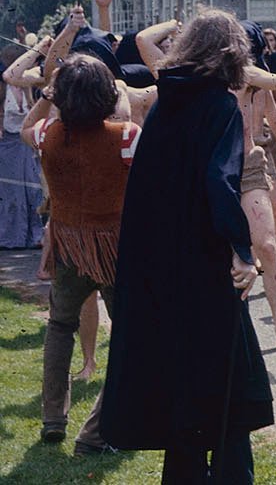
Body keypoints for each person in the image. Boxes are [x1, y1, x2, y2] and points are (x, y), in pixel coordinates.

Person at [101, 9, 271, 483]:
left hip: (160, 264)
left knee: (179, 381)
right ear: (232, 55)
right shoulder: (220, 107)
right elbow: (220, 179)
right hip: (206, 265)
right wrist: (241, 250)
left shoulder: (164, 104)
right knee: (229, 381)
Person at [23, 53, 136, 455]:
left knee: (60, 326)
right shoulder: (126, 137)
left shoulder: (47, 134)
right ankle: (96, 431)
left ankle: (53, 416)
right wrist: (120, 91)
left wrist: (49, 94)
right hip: (116, 248)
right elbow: (126, 123)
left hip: (68, 244)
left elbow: (25, 127)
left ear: (62, 96)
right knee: (129, 335)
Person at [1, 44, 45, 250]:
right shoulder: (3, 89)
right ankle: (11, 237)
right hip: (7, 145)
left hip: (26, 144)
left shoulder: (30, 86)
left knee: (33, 191)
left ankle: (35, 235)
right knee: (12, 192)